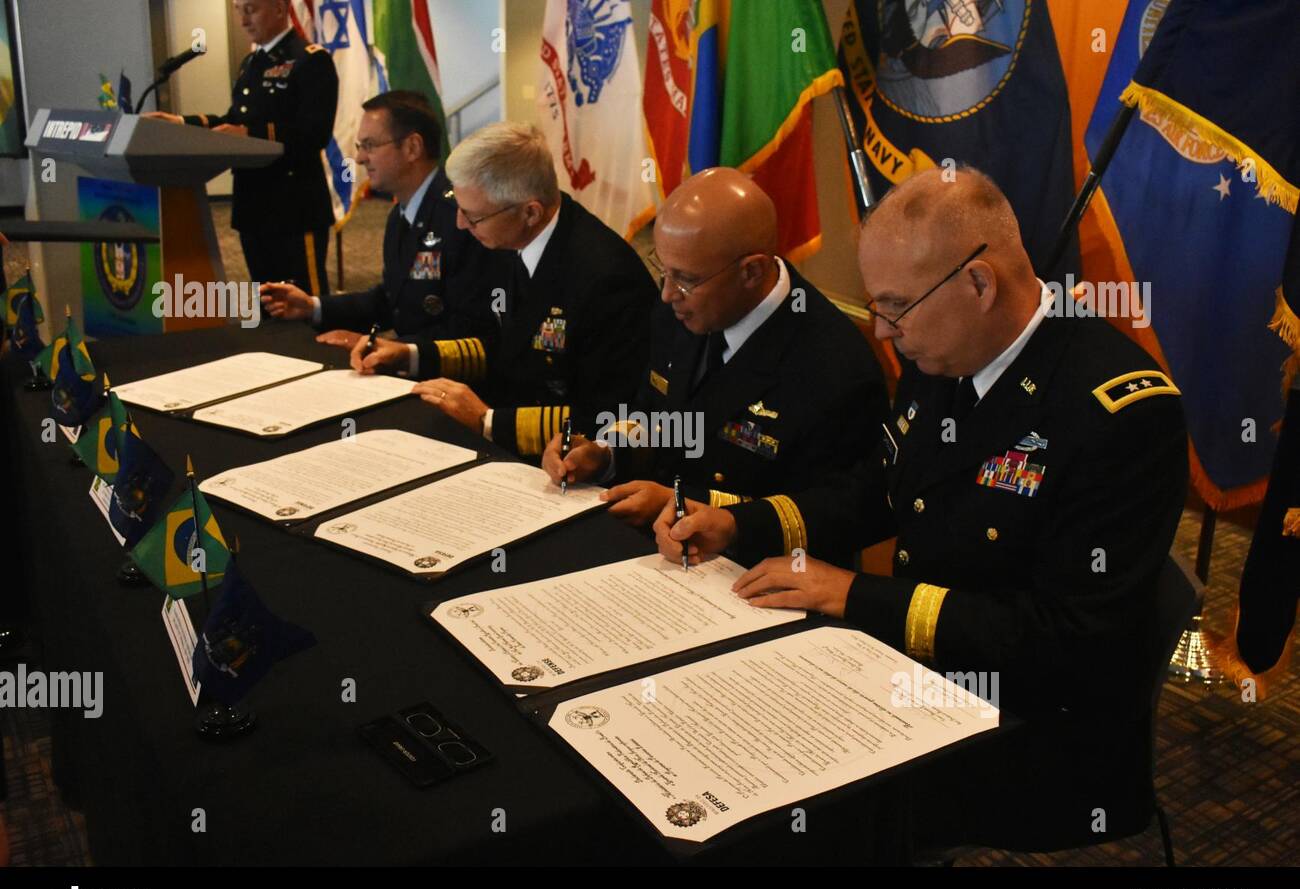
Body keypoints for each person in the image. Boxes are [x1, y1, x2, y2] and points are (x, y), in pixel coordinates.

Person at [655, 167, 1189, 851]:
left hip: (1031, 722)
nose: (880, 331)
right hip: (915, 669)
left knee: (773, 810)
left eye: (896, 307)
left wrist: (853, 594)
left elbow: (1068, 642)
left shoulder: (1117, 413)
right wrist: (741, 522)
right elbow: (881, 487)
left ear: (979, 284)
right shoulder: (947, 350)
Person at [540, 167, 888, 527]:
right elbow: (658, 415)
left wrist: (685, 503)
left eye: (687, 279)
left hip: (749, 567)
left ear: (751, 272)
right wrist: (605, 452)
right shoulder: (678, 309)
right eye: (664, 269)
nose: (667, 293)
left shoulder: (835, 367)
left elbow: (830, 515)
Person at [351, 122, 658, 459]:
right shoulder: (514, 239)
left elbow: (612, 415)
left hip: (565, 462)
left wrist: (488, 421)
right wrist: (411, 354)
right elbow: (502, 345)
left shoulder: (605, 278)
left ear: (530, 211)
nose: (460, 225)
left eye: (473, 216)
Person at [260, 90, 505, 368]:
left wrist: (390, 349)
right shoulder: (402, 215)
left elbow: (475, 332)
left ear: (412, 147)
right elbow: (392, 299)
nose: (360, 157)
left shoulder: (462, 219)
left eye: (370, 145)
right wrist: (313, 307)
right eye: (359, 145)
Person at [146, 0, 338, 294]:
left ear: (278, 9)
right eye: (238, 10)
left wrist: (249, 132)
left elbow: (315, 133)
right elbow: (232, 122)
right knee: (266, 301)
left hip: (294, 204)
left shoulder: (310, 60)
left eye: (251, 9)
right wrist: (182, 122)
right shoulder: (251, 63)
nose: (244, 19)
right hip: (253, 202)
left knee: (304, 302)